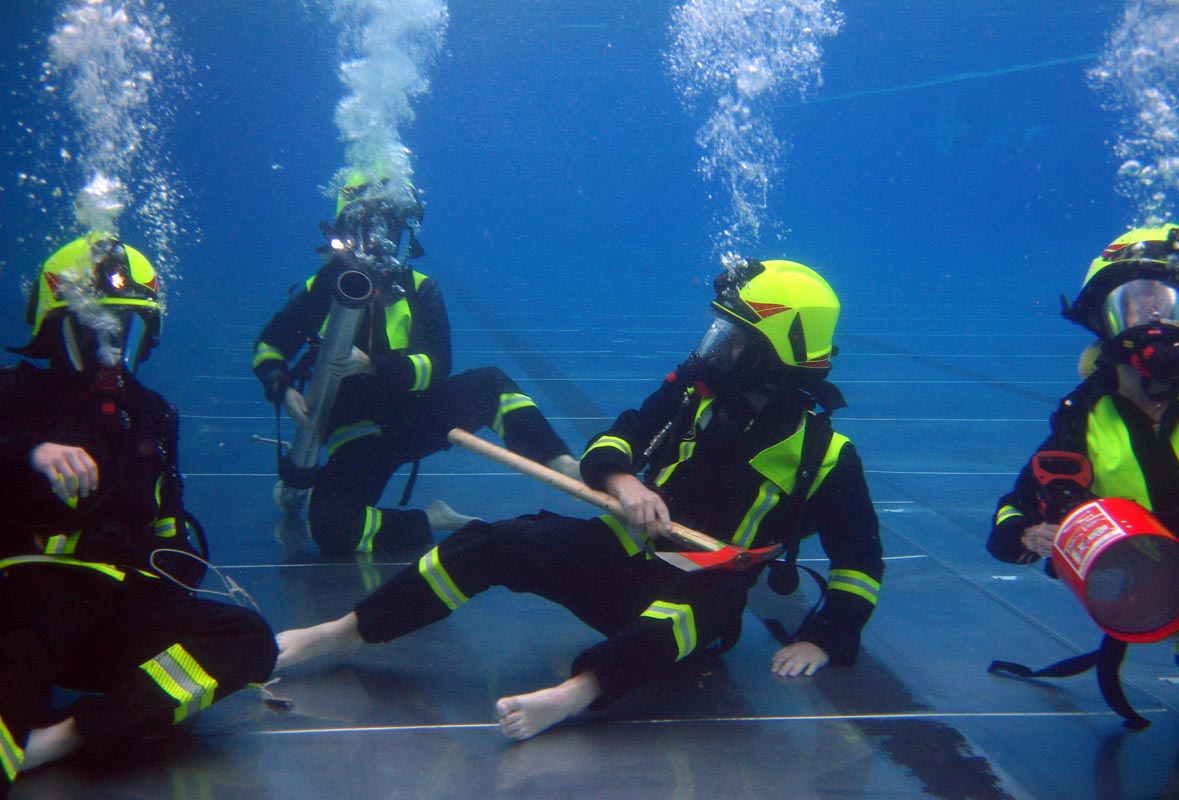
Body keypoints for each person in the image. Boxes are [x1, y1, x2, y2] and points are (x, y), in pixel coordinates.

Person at [273, 258, 885, 740]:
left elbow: (860, 563)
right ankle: (341, 631)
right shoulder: (693, 391)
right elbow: (618, 437)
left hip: (701, 600)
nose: (715, 347)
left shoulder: (827, 457)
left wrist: (825, 636)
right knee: (494, 541)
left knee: (709, 600)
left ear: (774, 353)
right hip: (618, 558)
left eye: (734, 338)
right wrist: (624, 482)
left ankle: (576, 694)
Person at [0, 233, 277, 795]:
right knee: (17, 677)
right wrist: (30, 449)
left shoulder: (152, 415)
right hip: (26, 597)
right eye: (94, 325)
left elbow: (169, 525)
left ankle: (65, 738)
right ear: (58, 327)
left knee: (247, 640)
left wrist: (173, 576)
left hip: (117, 609)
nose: (109, 346)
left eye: (123, 330)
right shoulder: (16, 392)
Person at [252, 173, 578, 557]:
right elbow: (268, 349)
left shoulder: (421, 288)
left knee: (492, 384)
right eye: (362, 231)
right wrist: (283, 387)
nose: (375, 243)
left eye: (386, 229)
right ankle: (432, 519)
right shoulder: (320, 289)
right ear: (343, 234)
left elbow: (437, 366)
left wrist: (374, 365)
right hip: (356, 434)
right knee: (332, 527)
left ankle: (560, 460)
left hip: (415, 415)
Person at [987, 223, 1179, 680]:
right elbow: (1012, 513)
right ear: (1103, 321)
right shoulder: (1082, 422)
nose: (1153, 319)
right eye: (1134, 304)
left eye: (1168, 303)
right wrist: (1029, 536)